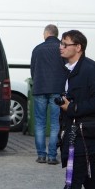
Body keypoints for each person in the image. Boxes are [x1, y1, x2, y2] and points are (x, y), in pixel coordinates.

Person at [37, 29, 95, 189]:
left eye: (65, 44)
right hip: (73, 131)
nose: (60, 47)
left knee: (75, 175)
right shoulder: (67, 69)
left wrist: (72, 108)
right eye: (61, 43)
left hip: (85, 132)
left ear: (78, 47)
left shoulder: (91, 70)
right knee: (90, 176)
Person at [31, 24, 68, 165]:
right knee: (54, 123)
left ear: (45, 34)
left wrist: (37, 82)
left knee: (39, 123)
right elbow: (67, 68)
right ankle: (52, 156)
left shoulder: (37, 49)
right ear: (56, 34)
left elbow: (33, 69)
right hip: (57, 90)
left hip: (40, 89)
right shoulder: (61, 48)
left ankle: (41, 155)